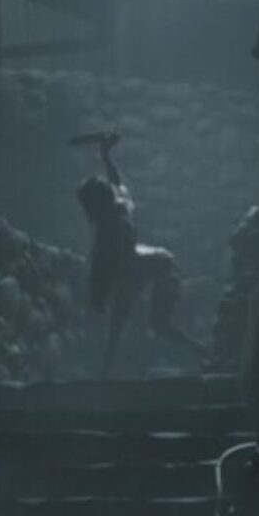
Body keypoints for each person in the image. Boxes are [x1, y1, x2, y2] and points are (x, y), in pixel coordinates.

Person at [76, 132, 207, 375]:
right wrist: (105, 154)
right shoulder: (118, 211)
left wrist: (98, 295)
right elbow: (115, 182)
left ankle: (204, 354)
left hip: (152, 268)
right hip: (142, 268)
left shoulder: (111, 225)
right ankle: (203, 353)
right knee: (128, 328)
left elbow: (103, 265)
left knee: (148, 326)